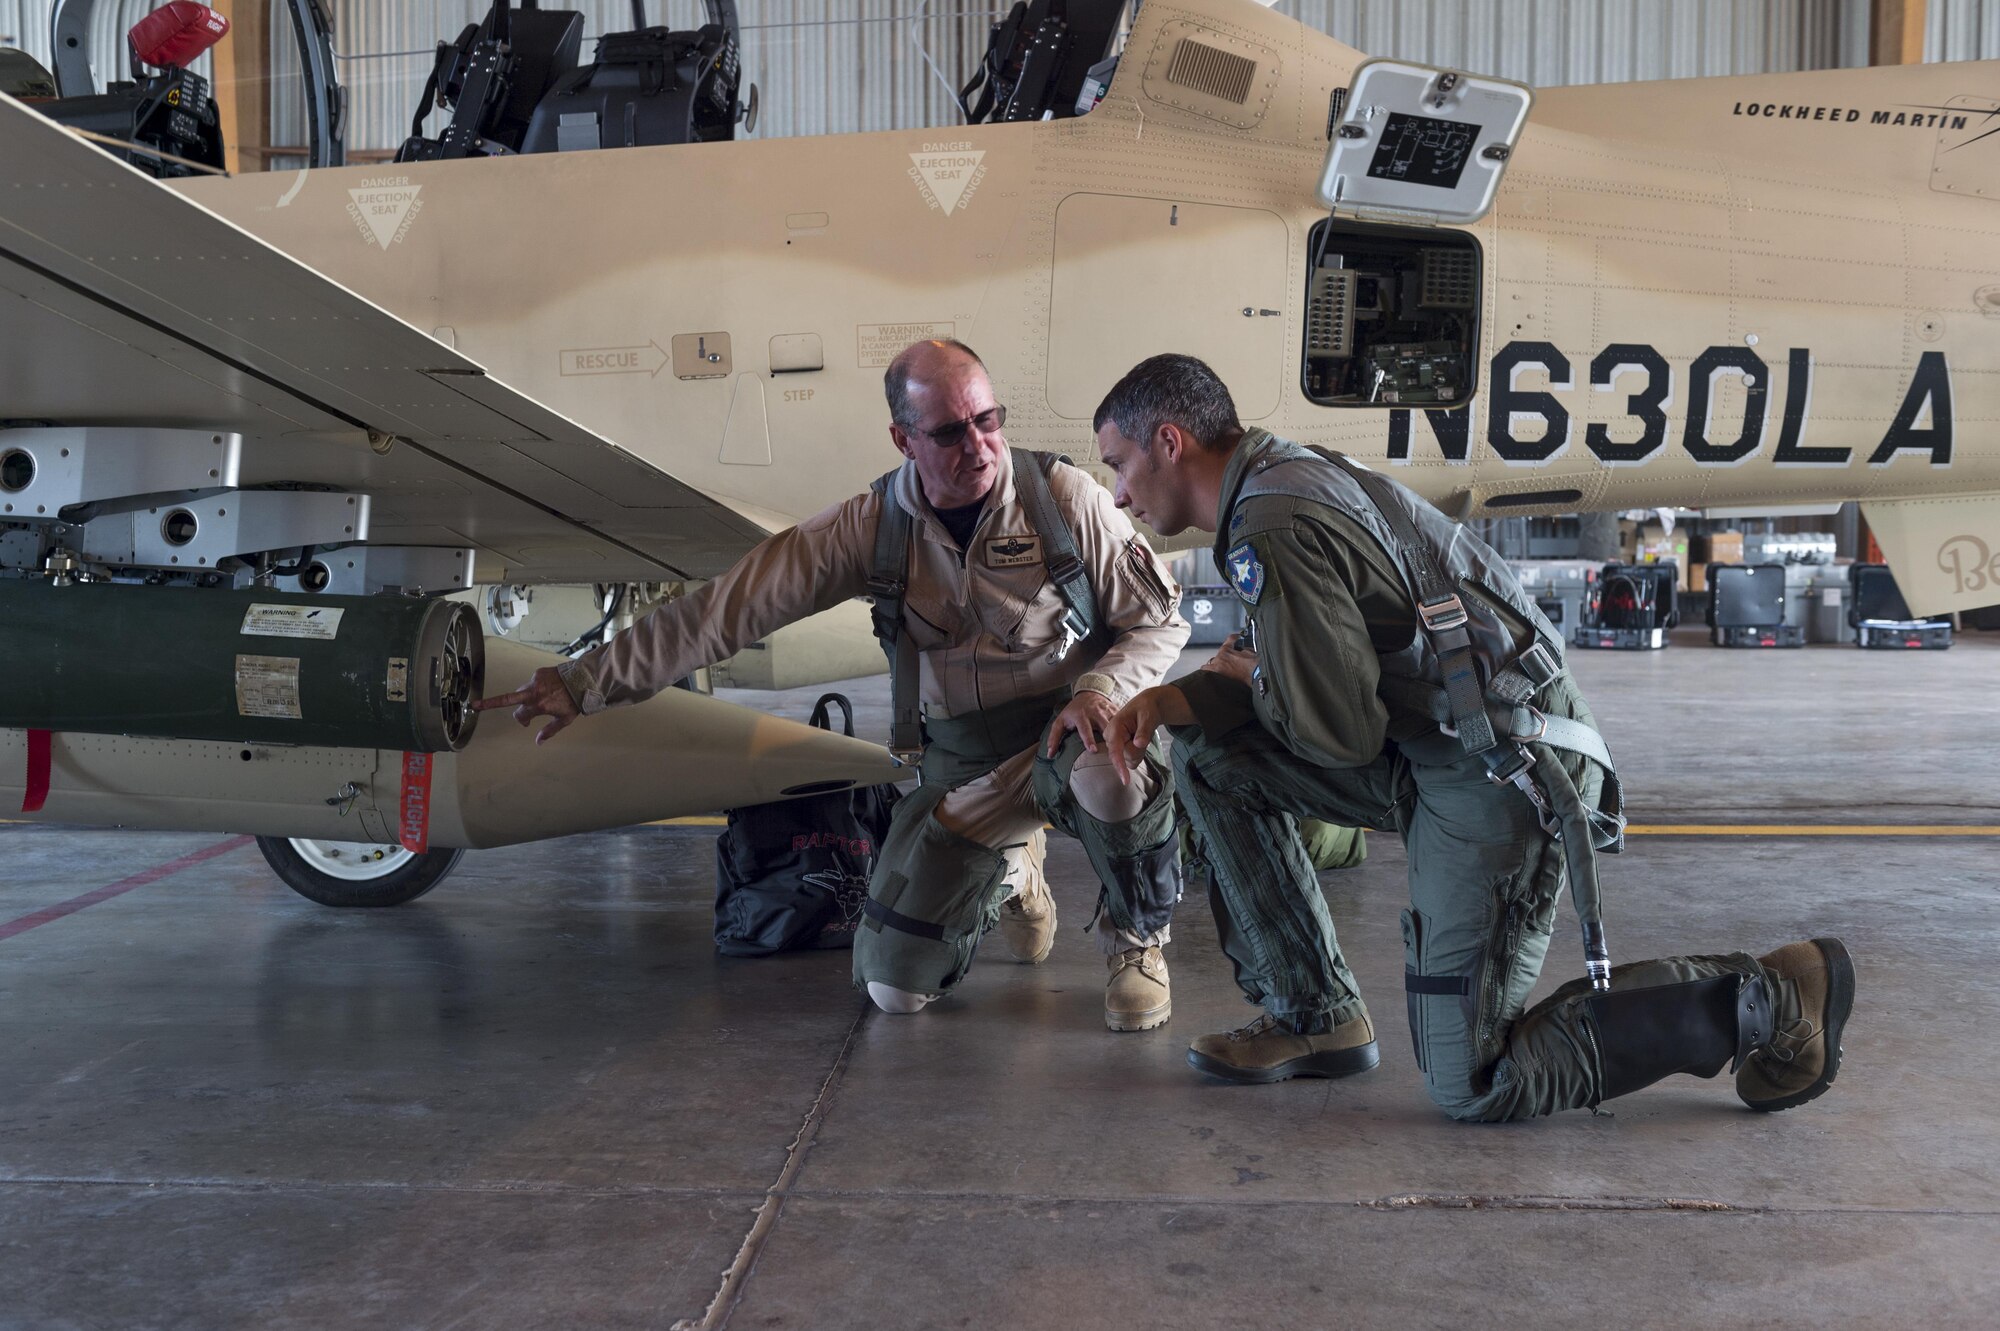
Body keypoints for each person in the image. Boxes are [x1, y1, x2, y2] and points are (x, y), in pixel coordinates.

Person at [1092, 353, 1855, 1121]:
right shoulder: (1282, 473)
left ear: (1169, 441)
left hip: (1504, 767)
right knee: (1216, 755)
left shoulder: (1272, 520)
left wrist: (1237, 682)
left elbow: (1341, 734)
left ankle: (1776, 998)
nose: (1119, 495)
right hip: (1446, 741)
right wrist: (1192, 696)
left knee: (1476, 1083)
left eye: (1119, 465)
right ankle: (1313, 1014)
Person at [477, 339, 1191, 1030]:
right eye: (949, 431)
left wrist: (1099, 686)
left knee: (1115, 777)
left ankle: (1136, 939)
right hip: (962, 766)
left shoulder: (1064, 500)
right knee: (893, 990)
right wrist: (586, 680)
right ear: (902, 438)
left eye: (987, 420)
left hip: (1066, 735)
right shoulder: (872, 527)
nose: (977, 446)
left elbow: (1161, 624)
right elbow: (724, 612)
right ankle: (1013, 874)